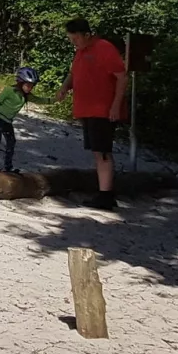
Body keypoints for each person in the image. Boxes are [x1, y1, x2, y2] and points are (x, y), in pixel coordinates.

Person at [56, 18, 128, 210]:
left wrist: (115, 106)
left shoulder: (104, 48)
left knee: (103, 152)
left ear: (86, 34)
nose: (73, 42)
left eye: (75, 38)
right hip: (87, 109)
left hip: (102, 110)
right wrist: (64, 87)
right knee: (97, 151)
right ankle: (103, 192)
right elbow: (74, 73)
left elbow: (122, 77)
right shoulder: (81, 51)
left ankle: (106, 195)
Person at [0, 66, 39, 173]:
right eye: (28, 85)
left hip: (7, 121)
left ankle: (8, 166)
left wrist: (56, 99)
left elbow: (40, 100)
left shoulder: (26, 96)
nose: (29, 88)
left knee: (11, 142)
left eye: (31, 86)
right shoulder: (9, 90)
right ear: (21, 82)